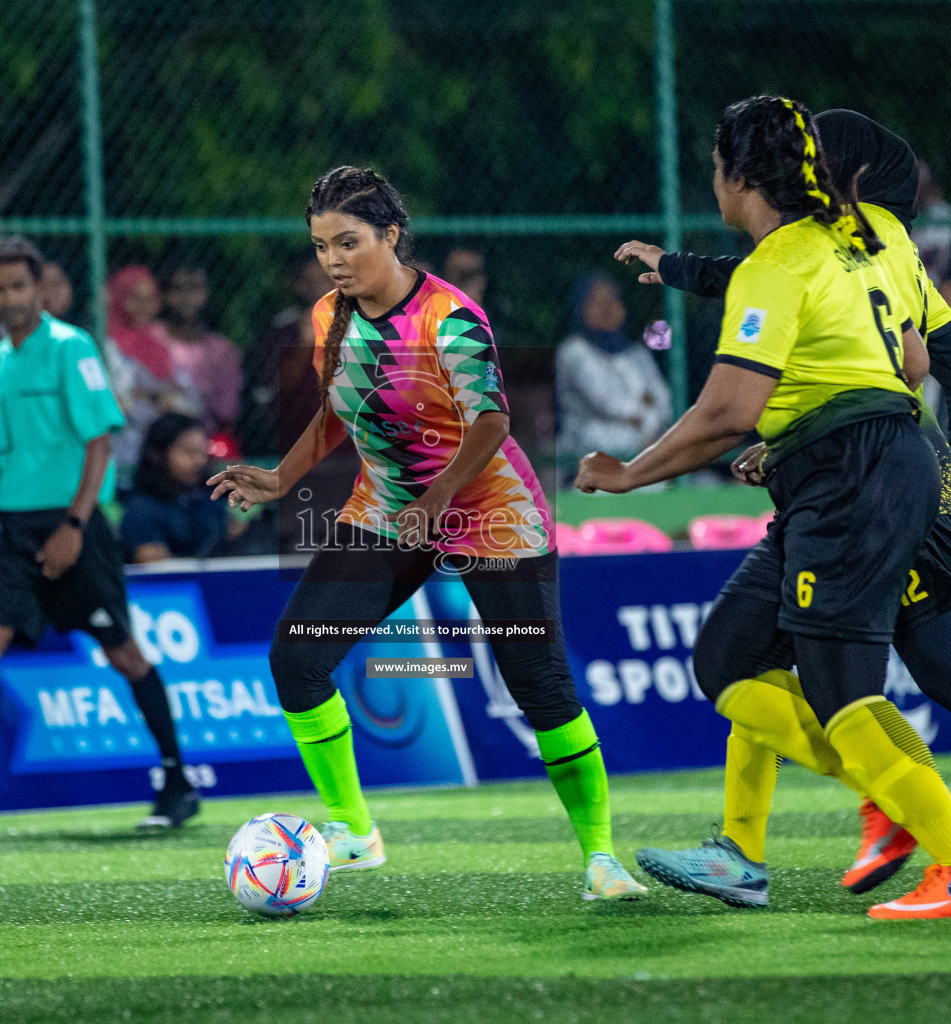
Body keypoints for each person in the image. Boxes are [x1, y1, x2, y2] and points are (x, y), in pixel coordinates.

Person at [616, 109, 951, 904]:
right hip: (893, 462)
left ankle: (927, 841)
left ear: (844, 176)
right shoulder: (872, 240)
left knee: (839, 676)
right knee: (931, 665)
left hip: (873, 475)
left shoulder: (850, 237)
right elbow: (906, 353)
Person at [577, 95, 951, 920]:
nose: (713, 183)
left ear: (738, 176)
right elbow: (917, 358)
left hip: (852, 483)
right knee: (731, 655)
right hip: (867, 469)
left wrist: (630, 474)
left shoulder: (780, 263)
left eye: (714, 170)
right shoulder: (852, 240)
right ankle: (749, 854)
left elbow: (726, 410)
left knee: (846, 700)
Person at [208, 166, 645, 901]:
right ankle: (355, 832)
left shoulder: (452, 316)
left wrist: (440, 496)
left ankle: (602, 859)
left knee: (541, 686)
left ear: (392, 235)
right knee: (296, 659)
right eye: (321, 247)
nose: (334, 260)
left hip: (492, 512)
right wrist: (280, 480)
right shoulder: (328, 317)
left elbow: (493, 423)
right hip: (388, 510)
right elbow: (339, 411)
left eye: (348, 242)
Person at [0, 237, 199, 840]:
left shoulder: (71, 348)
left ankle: (177, 782)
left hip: (74, 526)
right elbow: (20, 452)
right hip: (13, 529)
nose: (9, 297)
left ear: (39, 289)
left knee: (123, 653)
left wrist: (74, 526)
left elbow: (98, 443)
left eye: (20, 286)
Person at [555, 273, 672, 459]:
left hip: (646, 449)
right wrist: (645, 408)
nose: (607, 309)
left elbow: (663, 402)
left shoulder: (637, 353)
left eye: (612, 300)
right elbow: (611, 403)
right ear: (581, 308)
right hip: (590, 458)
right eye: (598, 302)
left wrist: (648, 427)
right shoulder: (573, 352)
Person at [121, 413, 254, 562]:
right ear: (157, 454)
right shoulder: (142, 507)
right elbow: (149, 559)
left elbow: (234, 532)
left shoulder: (205, 499)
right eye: (189, 452)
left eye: (202, 452)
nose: (199, 461)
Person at [104, 265, 198, 475]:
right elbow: (118, 402)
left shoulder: (162, 342)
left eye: (150, 299)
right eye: (135, 299)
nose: (144, 307)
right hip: (123, 451)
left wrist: (155, 397)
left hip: (162, 452)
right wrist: (159, 397)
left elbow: (188, 397)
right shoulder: (107, 346)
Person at [239, 256, 332, 457]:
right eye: (312, 282)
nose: (322, 289)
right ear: (297, 286)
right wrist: (307, 344)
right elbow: (275, 389)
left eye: (327, 279)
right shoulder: (282, 330)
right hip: (295, 440)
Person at [158, 263, 242, 438]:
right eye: (178, 289)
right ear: (164, 295)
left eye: (195, 288)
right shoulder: (149, 340)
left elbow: (227, 413)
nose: (187, 297)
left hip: (204, 442)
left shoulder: (222, 350)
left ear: (206, 293)